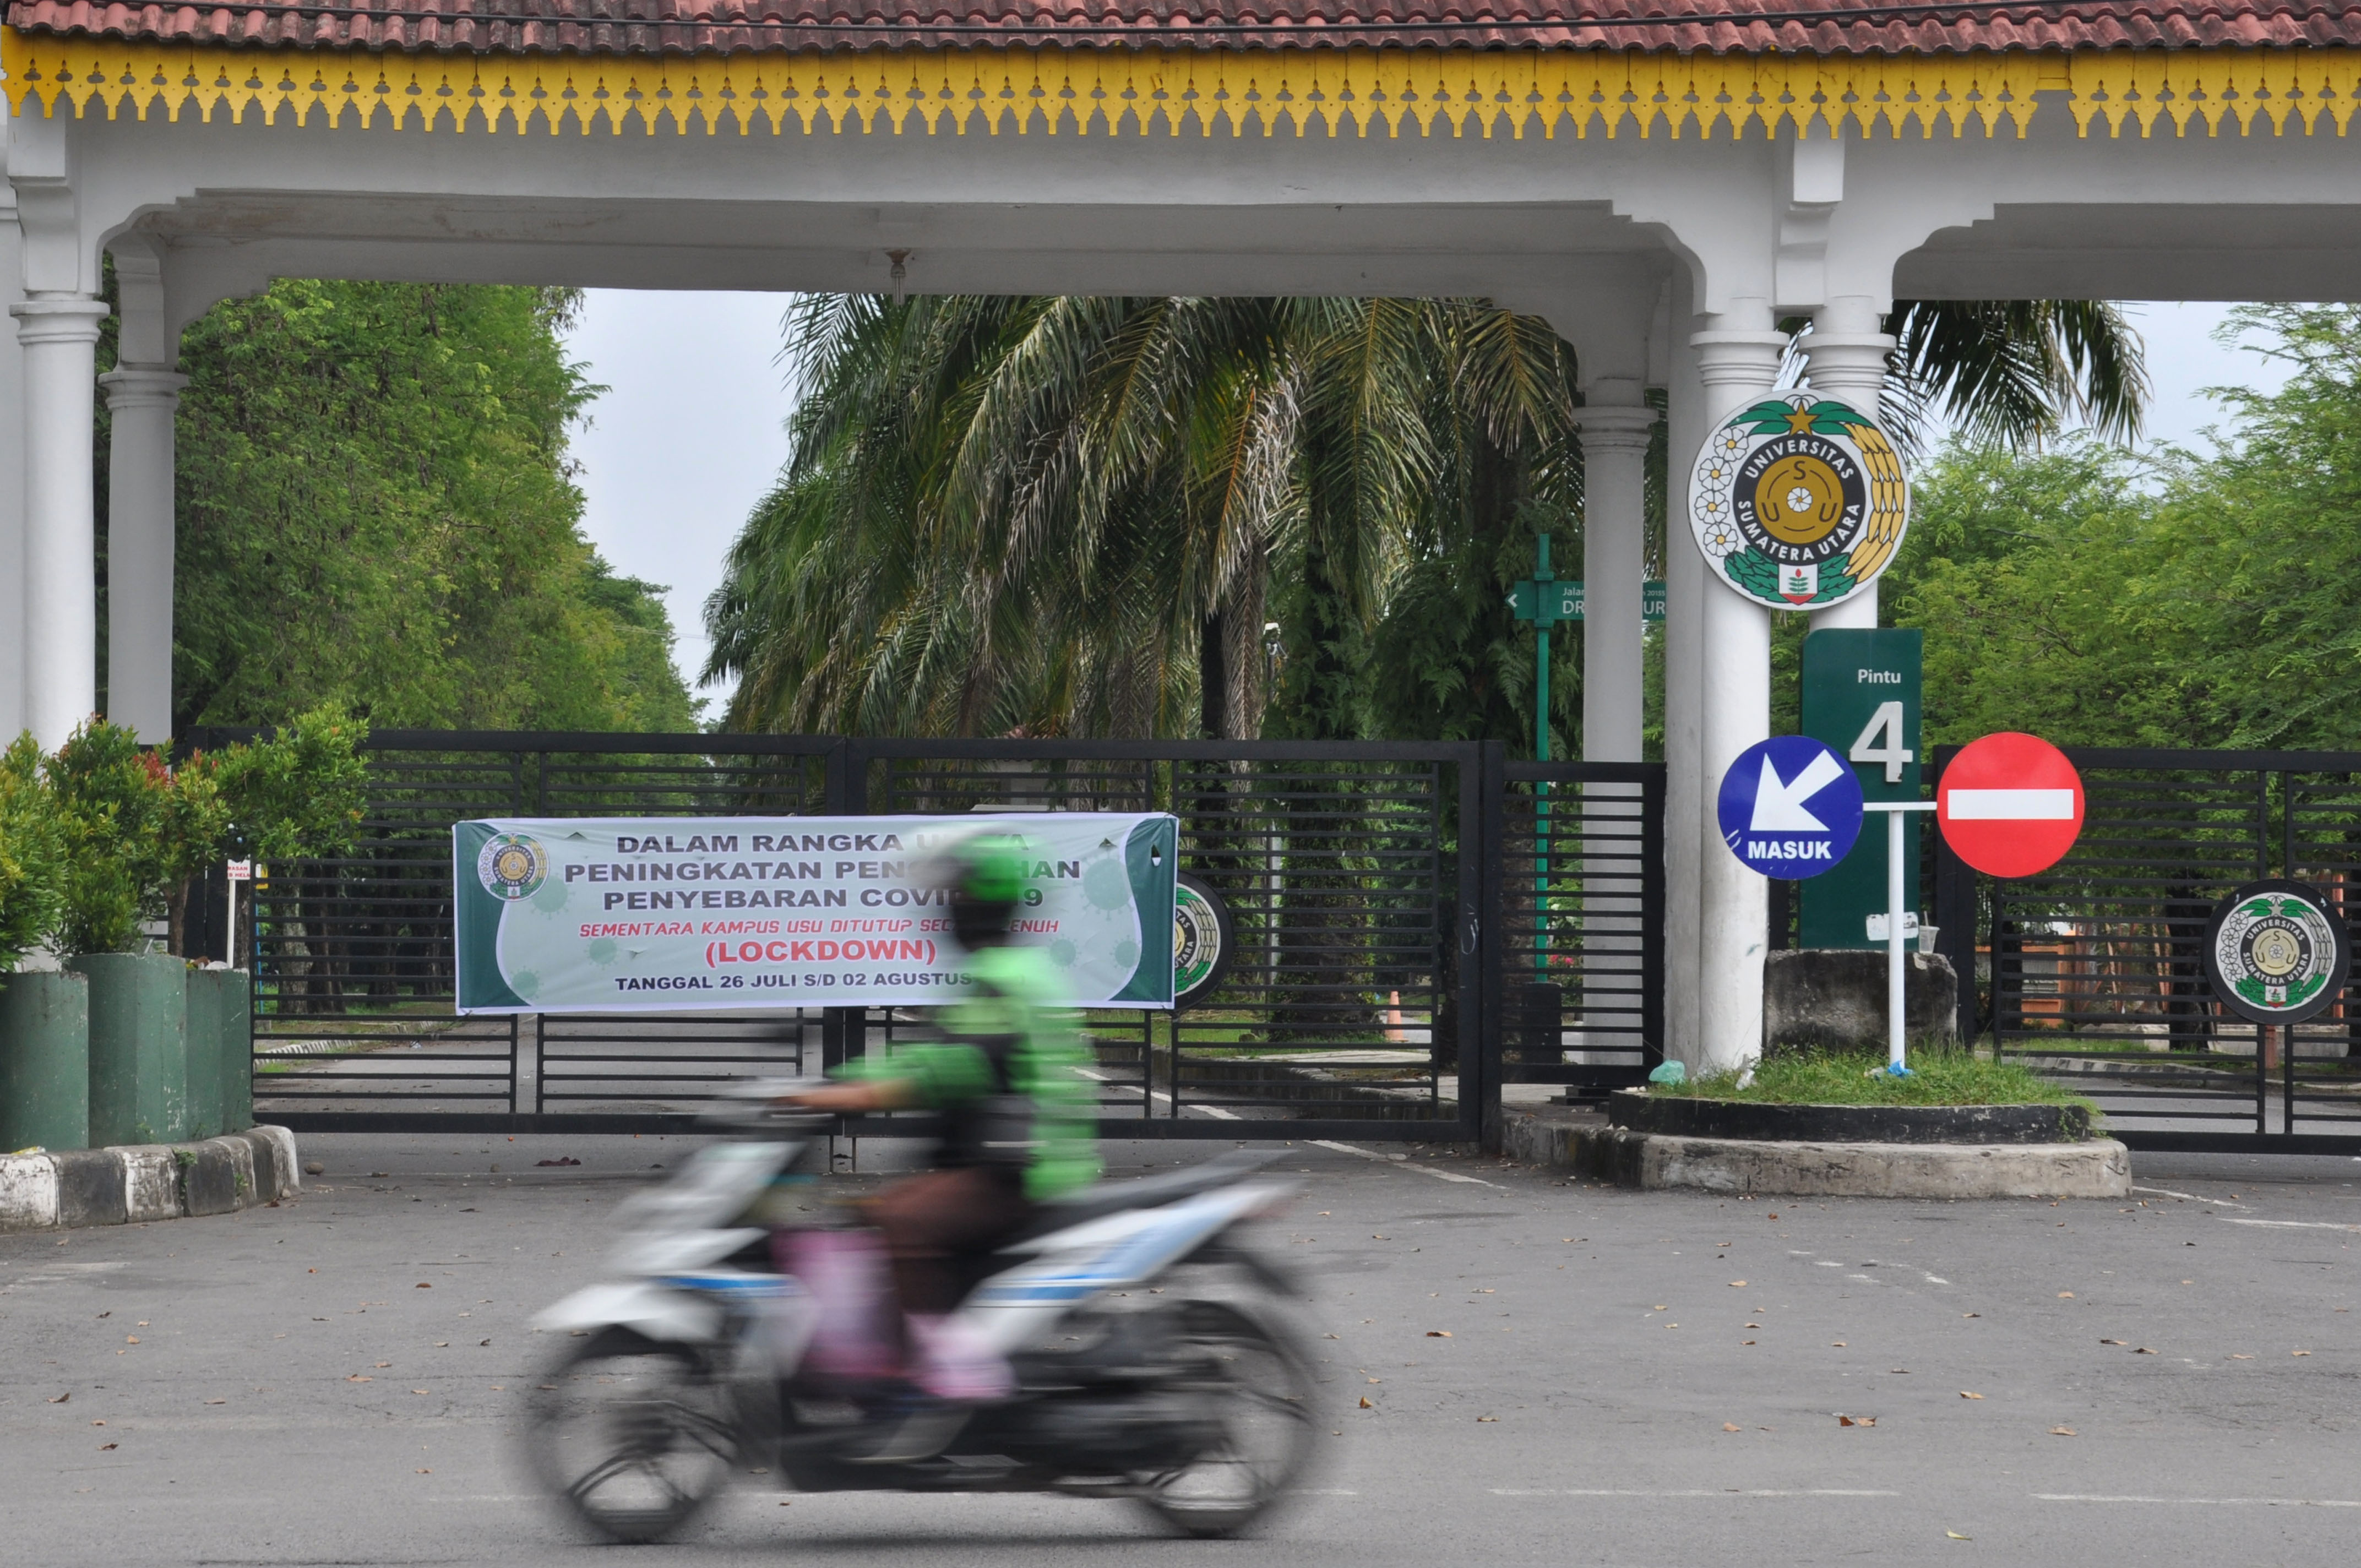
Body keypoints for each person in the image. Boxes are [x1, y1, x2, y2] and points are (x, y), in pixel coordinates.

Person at [780, 831, 1101, 1402]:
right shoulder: (1003, 970)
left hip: (1020, 1171)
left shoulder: (1004, 978)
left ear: (977, 900)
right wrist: (841, 1080)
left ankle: (941, 1372)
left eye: (953, 894)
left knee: (901, 1220)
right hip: (1002, 1160)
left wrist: (852, 1095)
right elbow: (933, 1051)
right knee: (864, 1214)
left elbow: (953, 1068)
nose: (942, 907)